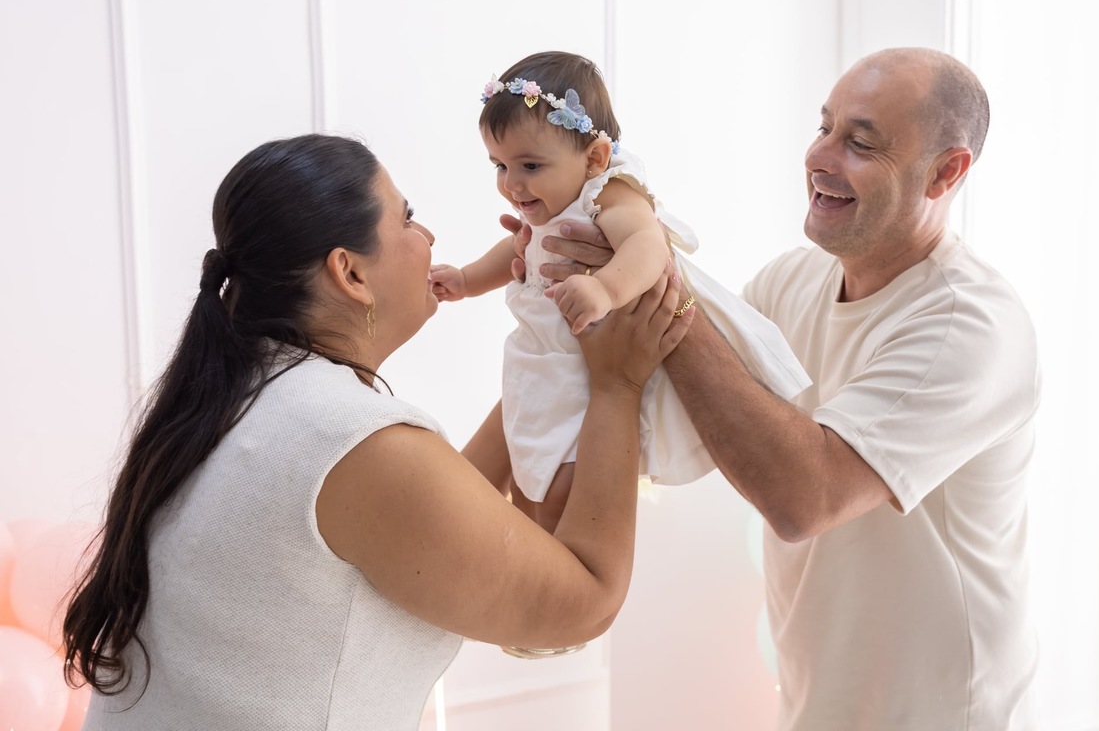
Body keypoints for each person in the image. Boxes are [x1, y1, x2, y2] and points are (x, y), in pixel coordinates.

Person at [61, 133, 692, 729]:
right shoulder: (349, 439)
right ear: (351, 273)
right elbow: (587, 602)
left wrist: (551, 356)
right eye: (407, 219)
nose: (429, 236)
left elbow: (441, 515)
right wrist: (616, 383)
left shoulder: (238, 397)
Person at [531, 48, 1041, 729]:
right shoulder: (789, 282)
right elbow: (665, 384)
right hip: (817, 699)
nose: (819, 156)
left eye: (860, 142)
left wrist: (655, 279)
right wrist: (548, 286)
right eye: (824, 126)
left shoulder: (972, 326)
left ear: (945, 172)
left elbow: (805, 495)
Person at [430, 50, 810, 545]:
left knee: (563, 488)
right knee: (526, 484)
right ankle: (531, 560)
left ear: (595, 158)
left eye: (529, 165)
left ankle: (564, 567)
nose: (511, 184)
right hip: (538, 365)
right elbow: (518, 248)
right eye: (499, 165)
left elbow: (648, 246)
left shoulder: (608, 193)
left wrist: (605, 288)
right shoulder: (553, 198)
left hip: (586, 370)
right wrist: (466, 279)